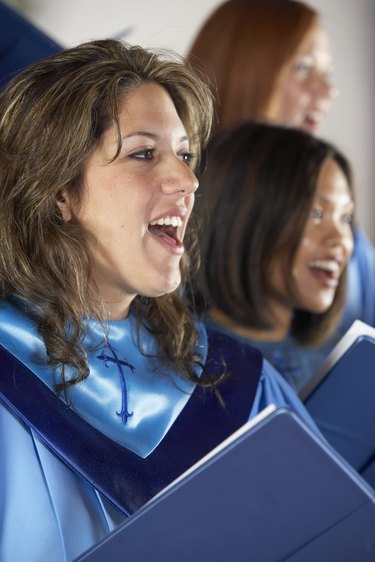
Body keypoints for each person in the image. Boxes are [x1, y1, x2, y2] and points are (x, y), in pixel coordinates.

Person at [0, 39, 320, 562]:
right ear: (58, 191)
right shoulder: (8, 379)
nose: (189, 181)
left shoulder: (240, 385)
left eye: (187, 156)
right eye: (144, 154)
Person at [187, 0, 375, 336]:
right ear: (242, 70)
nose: (328, 91)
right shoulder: (178, 205)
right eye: (303, 68)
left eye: (327, 74)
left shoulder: (348, 241)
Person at [198, 121, 355, 391]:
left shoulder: (348, 362)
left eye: (346, 218)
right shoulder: (183, 358)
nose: (340, 240)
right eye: (315, 213)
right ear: (245, 218)